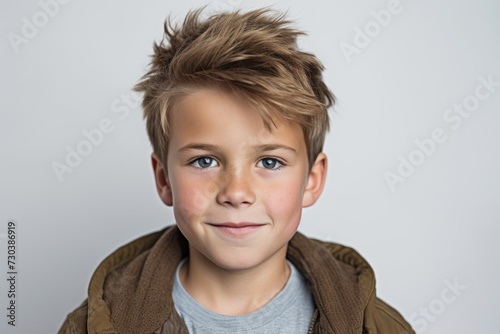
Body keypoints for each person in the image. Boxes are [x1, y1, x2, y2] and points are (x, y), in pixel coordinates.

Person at [59, 7, 414, 334]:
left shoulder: (378, 326)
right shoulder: (91, 325)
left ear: (312, 180)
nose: (236, 192)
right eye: (204, 161)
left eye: (269, 162)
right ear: (164, 178)